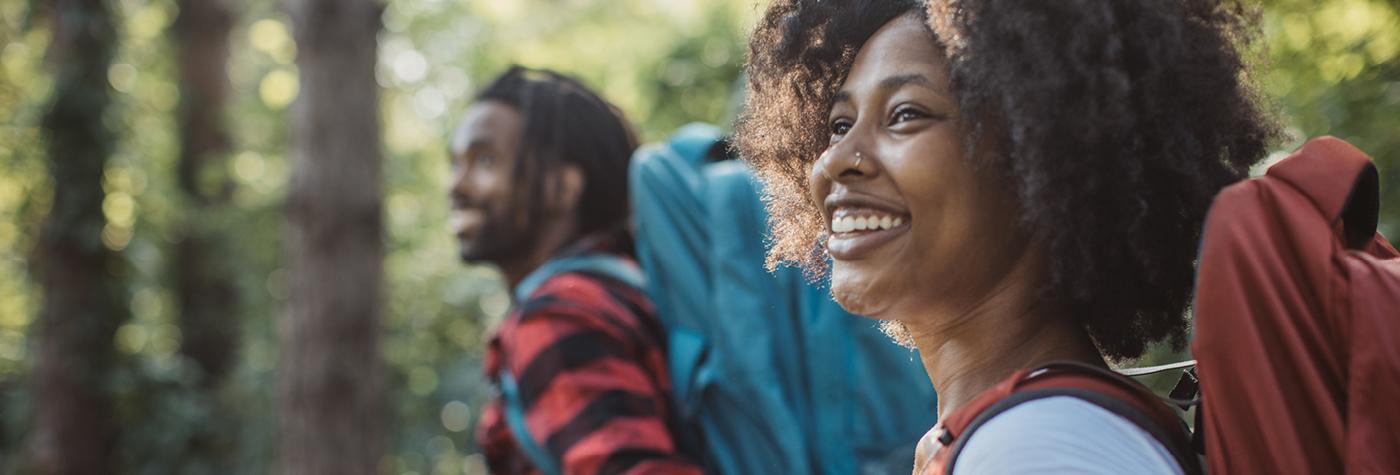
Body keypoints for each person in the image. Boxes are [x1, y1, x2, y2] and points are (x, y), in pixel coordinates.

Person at [735, 0, 1276, 473]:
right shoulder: (1017, 433)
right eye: (838, 124)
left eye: (905, 114)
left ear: (1045, 163)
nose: (835, 162)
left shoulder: (1038, 448)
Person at [449, 65, 700, 475]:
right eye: (456, 162)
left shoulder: (559, 314)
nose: (456, 185)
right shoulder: (632, 288)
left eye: (485, 160)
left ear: (562, 187)